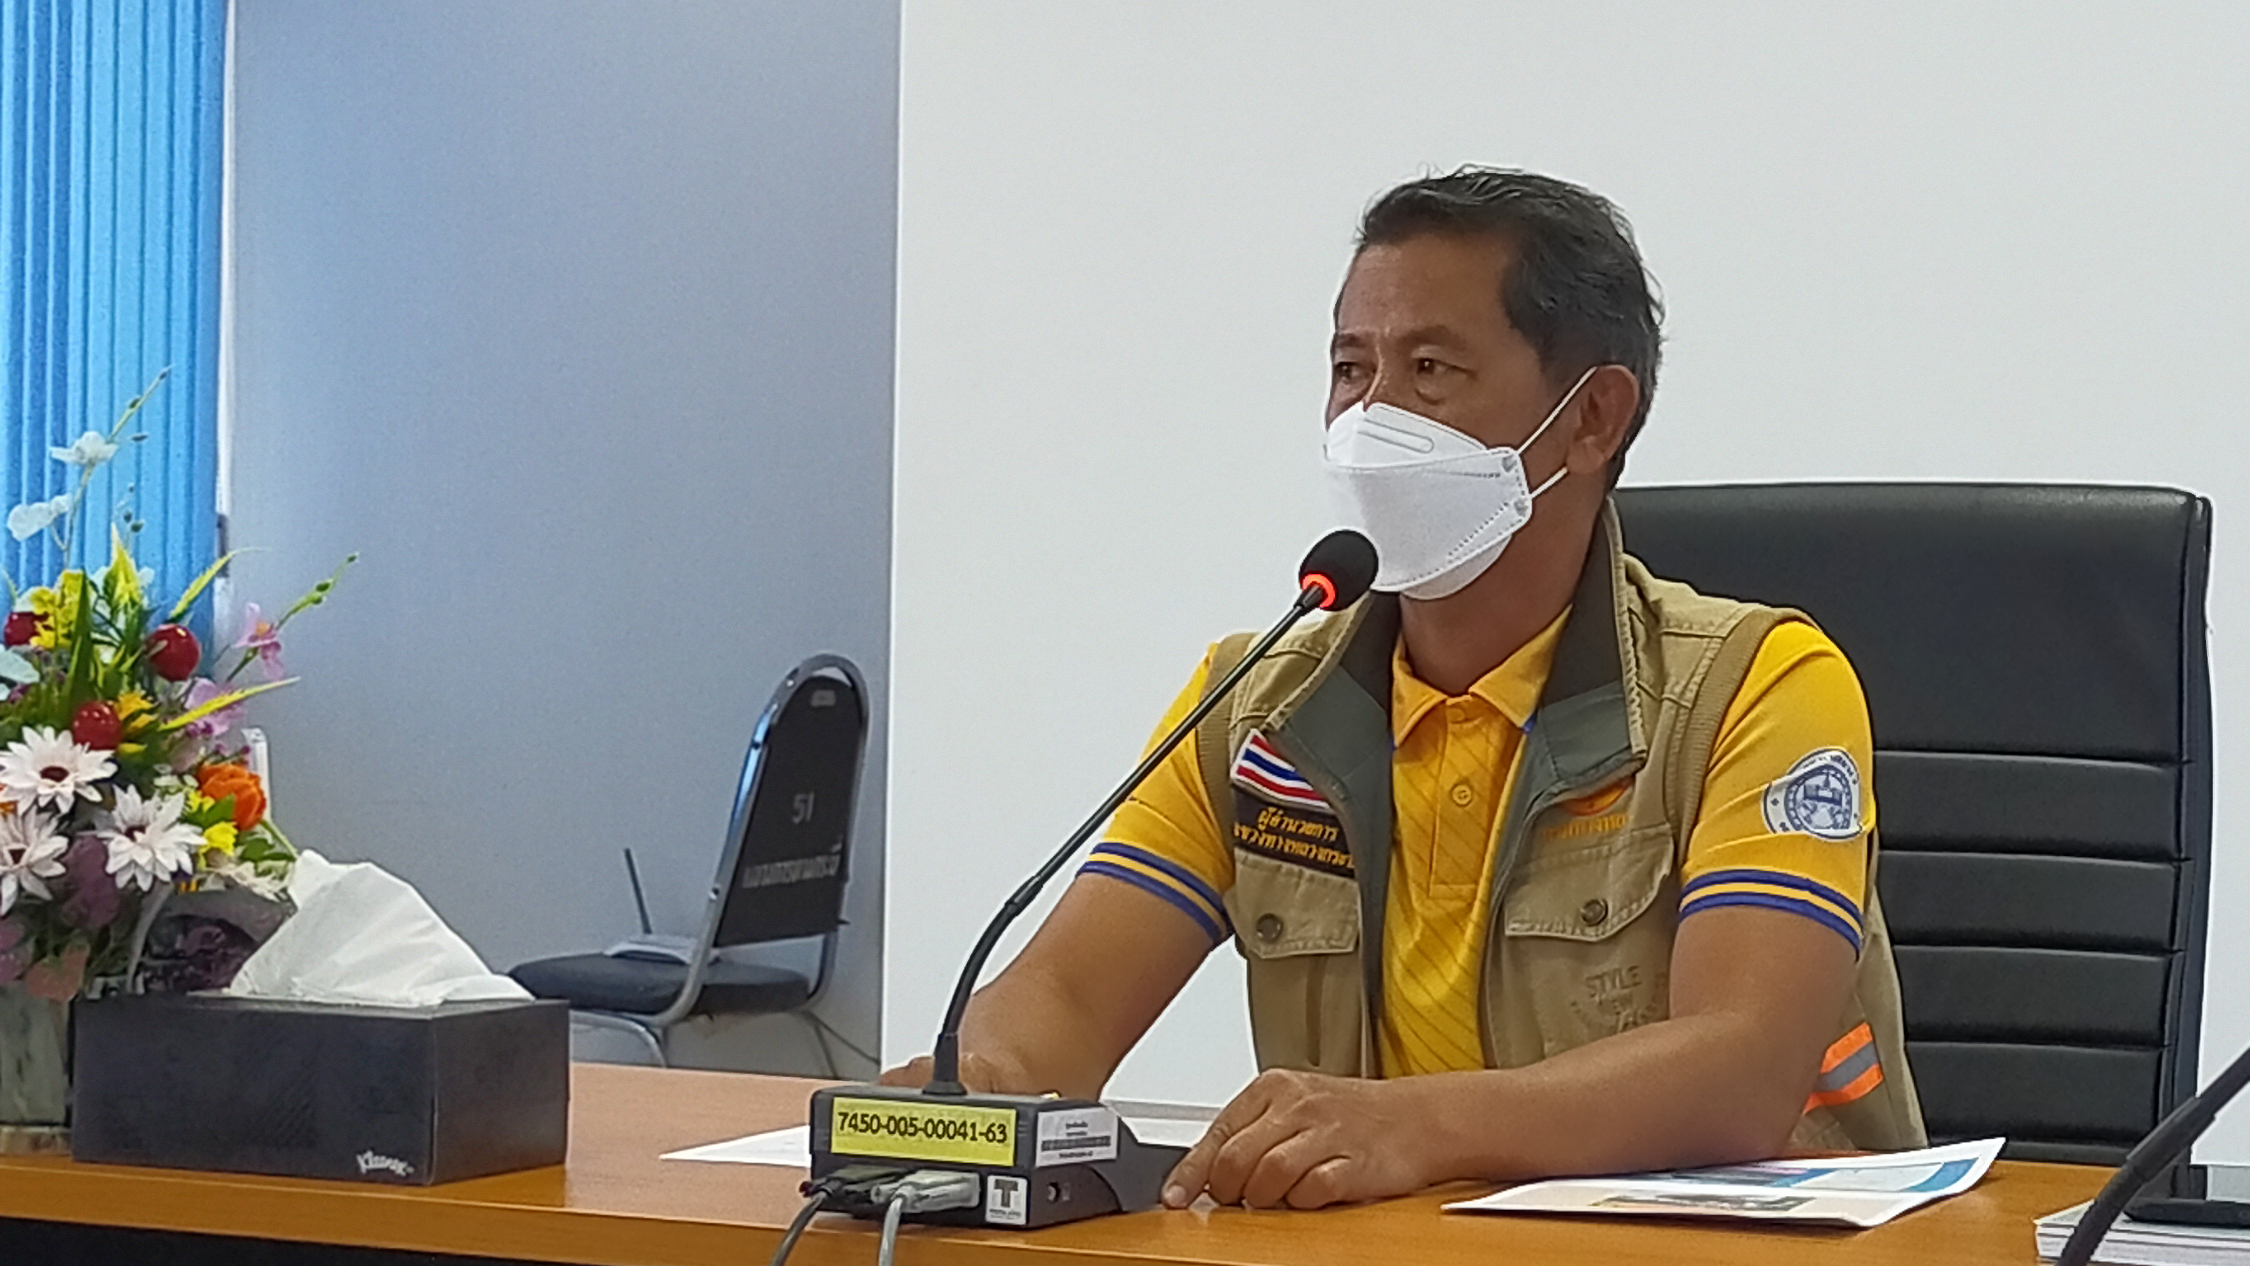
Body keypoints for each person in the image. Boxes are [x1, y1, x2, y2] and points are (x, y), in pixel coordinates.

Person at [884, 167, 1925, 1210]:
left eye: (1429, 370)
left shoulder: (1756, 687)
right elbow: (1066, 996)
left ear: (1592, 418)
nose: (1369, 417)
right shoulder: (1258, 709)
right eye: (1350, 368)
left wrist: (1413, 1124)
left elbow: (1741, 1072)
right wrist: (977, 1086)